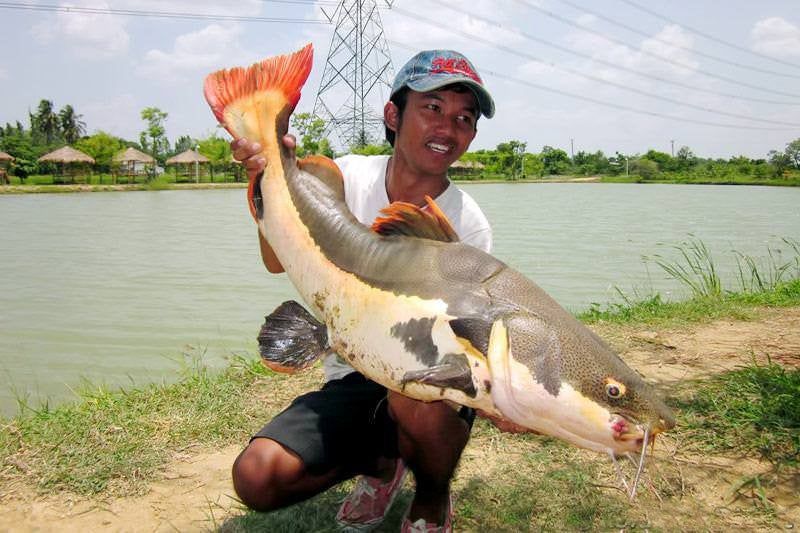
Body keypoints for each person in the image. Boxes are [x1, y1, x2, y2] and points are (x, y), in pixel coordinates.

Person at [231, 49, 495, 533]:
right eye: (432, 108)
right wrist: (263, 173)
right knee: (257, 478)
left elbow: (461, 332)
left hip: (427, 378)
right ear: (394, 115)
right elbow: (276, 260)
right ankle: (380, 466)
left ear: (472, 135)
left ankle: (432, 499)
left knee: (413, 398)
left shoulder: (467, 223)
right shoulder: (344, 177)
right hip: (350, 373)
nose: (448, 128)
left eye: (464, 118)